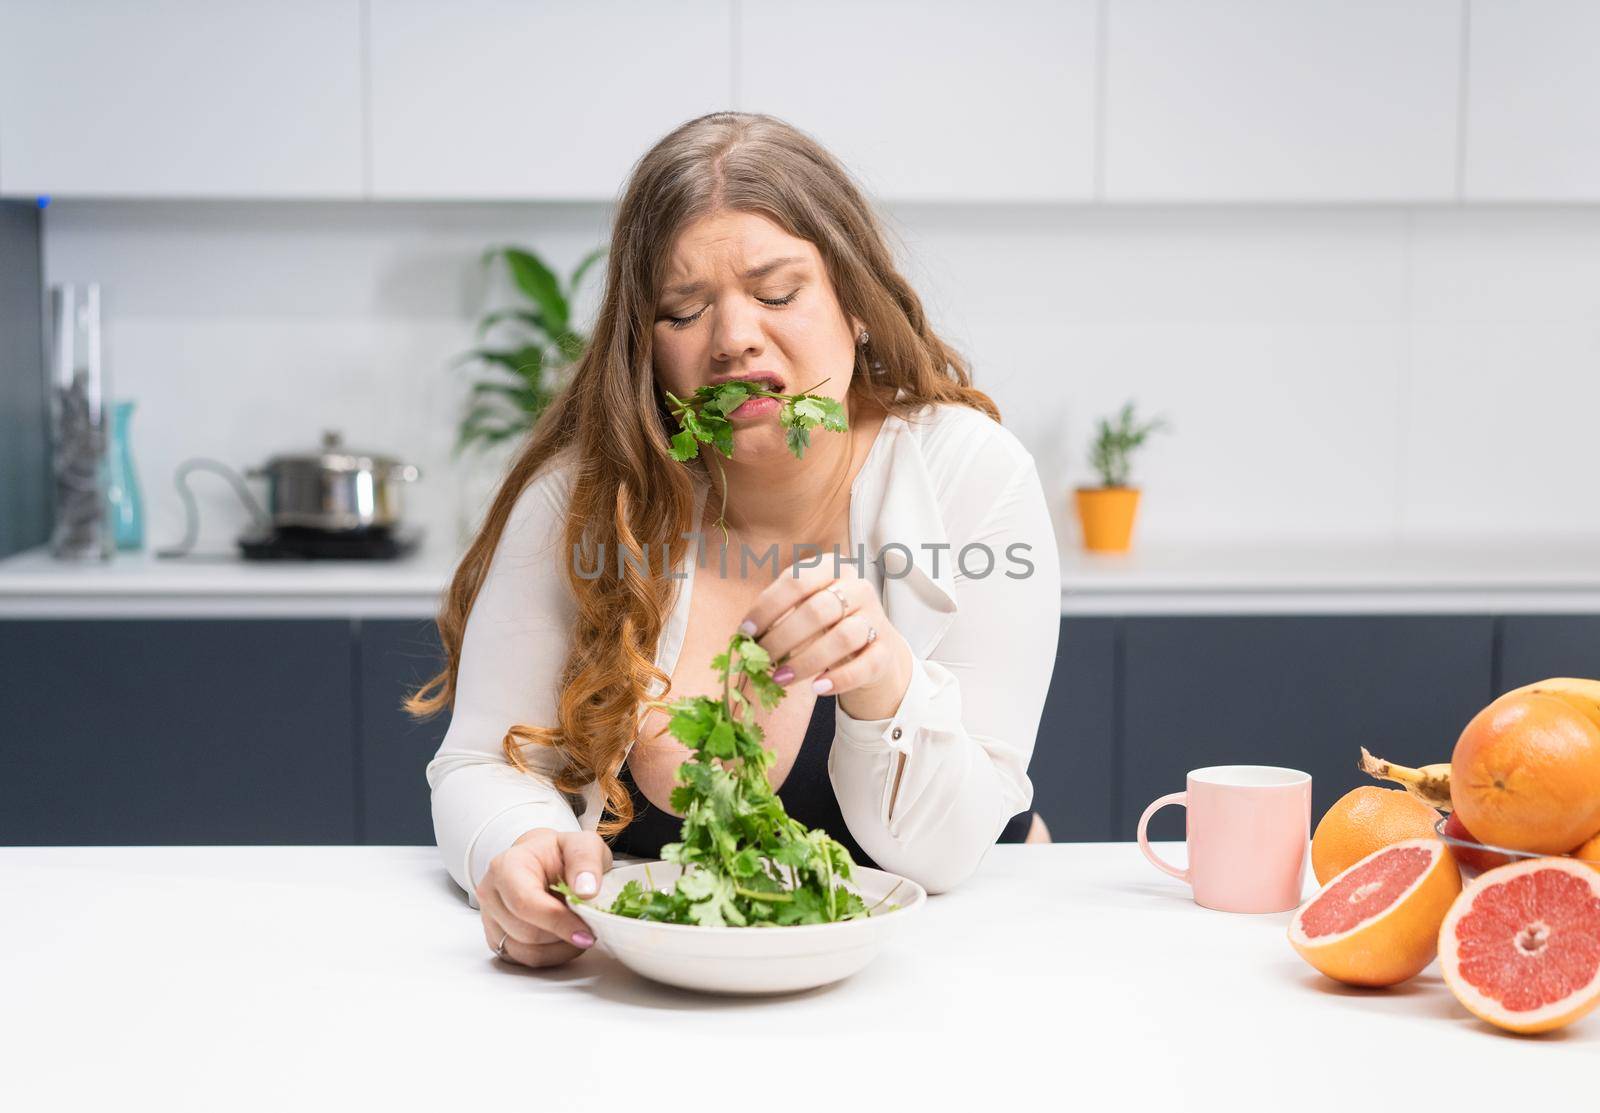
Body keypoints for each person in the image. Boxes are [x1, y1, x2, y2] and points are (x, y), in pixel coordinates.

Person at [406, 112, 1061, 970]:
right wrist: (515, 841)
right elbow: (482, 762)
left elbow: (942, 854)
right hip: (658, 992)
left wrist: (884, 679)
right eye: (683, 310)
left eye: (779, 294)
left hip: (960, 963)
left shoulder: (971, 475)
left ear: (857, 305)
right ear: (645, 346)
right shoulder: (586, 498)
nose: (733, 337)